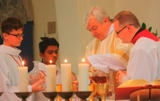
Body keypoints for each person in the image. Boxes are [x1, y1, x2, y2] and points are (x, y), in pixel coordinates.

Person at [83, 6, 133, 98]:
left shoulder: (121, 36)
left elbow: (121, 60)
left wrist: (92, 60)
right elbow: (86, 73)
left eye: (94, 28)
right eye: (90, 30)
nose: (92, 33)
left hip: (122, 96)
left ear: (105, 21)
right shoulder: (91, 46)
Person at [0, 17, 44, 101]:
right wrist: (30, 88)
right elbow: (5, 89)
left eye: (21, 34)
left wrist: (31, 81)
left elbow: (18, 82)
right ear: (5, 35)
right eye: (17, 35)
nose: (21, 38)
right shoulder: (1, 56)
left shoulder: (17, 56)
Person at [113, 11, 160, 83]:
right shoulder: (150, 40)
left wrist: (122, 78)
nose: (116, 36)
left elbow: (139, 84)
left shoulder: (140, 47)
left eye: (117, 32)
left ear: (128, 28)